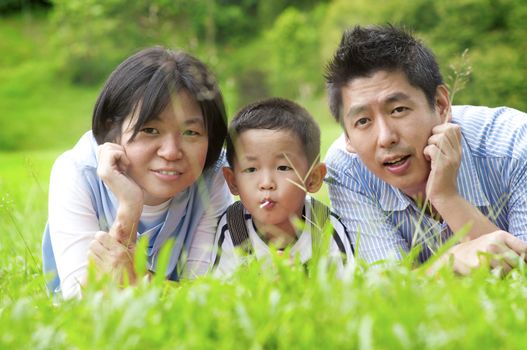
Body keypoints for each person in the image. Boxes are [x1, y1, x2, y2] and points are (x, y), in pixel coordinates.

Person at [324, 25, 527, 275]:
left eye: (398, 109)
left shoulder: (516, 144)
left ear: (441, 105)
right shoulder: (346, 170)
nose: (385, 138)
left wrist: (446, 197)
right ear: (348, 137)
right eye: (363, 121)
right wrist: (446, 265)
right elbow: (389, 288)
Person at [42, 47, 232, 298]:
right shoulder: (76, 171)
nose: (171, 152)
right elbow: (79, 300)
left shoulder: (213, 175)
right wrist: (129, 209)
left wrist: (137, 278)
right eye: (150, 130)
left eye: (191, 133)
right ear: (112, 129)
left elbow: (204, 295)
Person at [212, 97, 354, 275]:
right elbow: (221, 295)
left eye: (283, 167)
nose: (266, 184)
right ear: (233, 182)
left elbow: (347, 293)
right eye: (251, 169)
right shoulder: (233, 227)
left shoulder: (325, 226)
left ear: (313, 178)